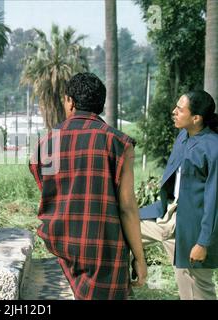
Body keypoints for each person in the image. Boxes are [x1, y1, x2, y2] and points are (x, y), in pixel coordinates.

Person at [29, 72, 147, 300]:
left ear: (70, 102)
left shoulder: (45, 145)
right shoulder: (119, 143)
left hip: (61, 248)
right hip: (105, 252)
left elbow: (49, 193)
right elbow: (127, 207)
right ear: (99, 105)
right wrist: (139, 259)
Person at [140, 90, 218, 300]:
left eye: (180, 109)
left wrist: (203, 243)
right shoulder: (183, 136)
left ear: (196, 118)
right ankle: (128, 283)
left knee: (194, 292)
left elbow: (214, 202)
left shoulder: (214, 148)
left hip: (194, 229)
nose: (173, 112)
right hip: (169, 216)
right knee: (121, 228)